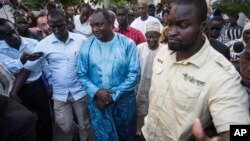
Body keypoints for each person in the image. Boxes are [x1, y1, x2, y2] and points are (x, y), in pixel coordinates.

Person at [140, 0, 250, 141]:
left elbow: (241, 132)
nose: (171, 32)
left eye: (182, 25)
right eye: (170, 24)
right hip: (147, 134)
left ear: (202, 27)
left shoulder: (222, 75)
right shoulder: (163, 53)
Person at [10, 9, 90, 141]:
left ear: (67, 22)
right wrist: (14, 92)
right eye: (53, 27)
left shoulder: (81, 40)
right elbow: (28, 68)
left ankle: (83, 136)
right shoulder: (43, 44)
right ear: (49, 25)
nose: (57, 30)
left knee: (84, 123)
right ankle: (76, 131)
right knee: (64, 125)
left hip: (80, 91)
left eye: (60, 26)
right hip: (59, 93)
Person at [77, 8, 140, 141]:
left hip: (123, 105)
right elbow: (81, 75)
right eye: (92, 25)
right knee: (103, 137)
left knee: (126, 136)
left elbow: (134, 74)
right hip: (98, 105)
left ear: (111, 22)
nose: (95, 29)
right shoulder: (87, 47)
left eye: (99, 24)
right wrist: (97, 92)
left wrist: (113, 96)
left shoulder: (127, 44)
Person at [0, 18, 53, 141]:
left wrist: (50, 82)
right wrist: (22, 60)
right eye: (8, 35)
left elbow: (44, 64)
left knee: (45, 118)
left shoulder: (33, 43)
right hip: (18, 90)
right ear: (1, 38)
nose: (14, 35)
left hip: (38, 86)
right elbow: (9, 68)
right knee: (26, 119)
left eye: (14, 31)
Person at [136, 21, 165, 135]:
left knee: (155, 110)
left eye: (154, 36)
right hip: (141, 86)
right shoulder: (139, 48)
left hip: (157, 87)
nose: (151, 39)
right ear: (145, 36)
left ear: (159, 36)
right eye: (149, 36)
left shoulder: (165, 50)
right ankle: (139, 130)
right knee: (139, 109)